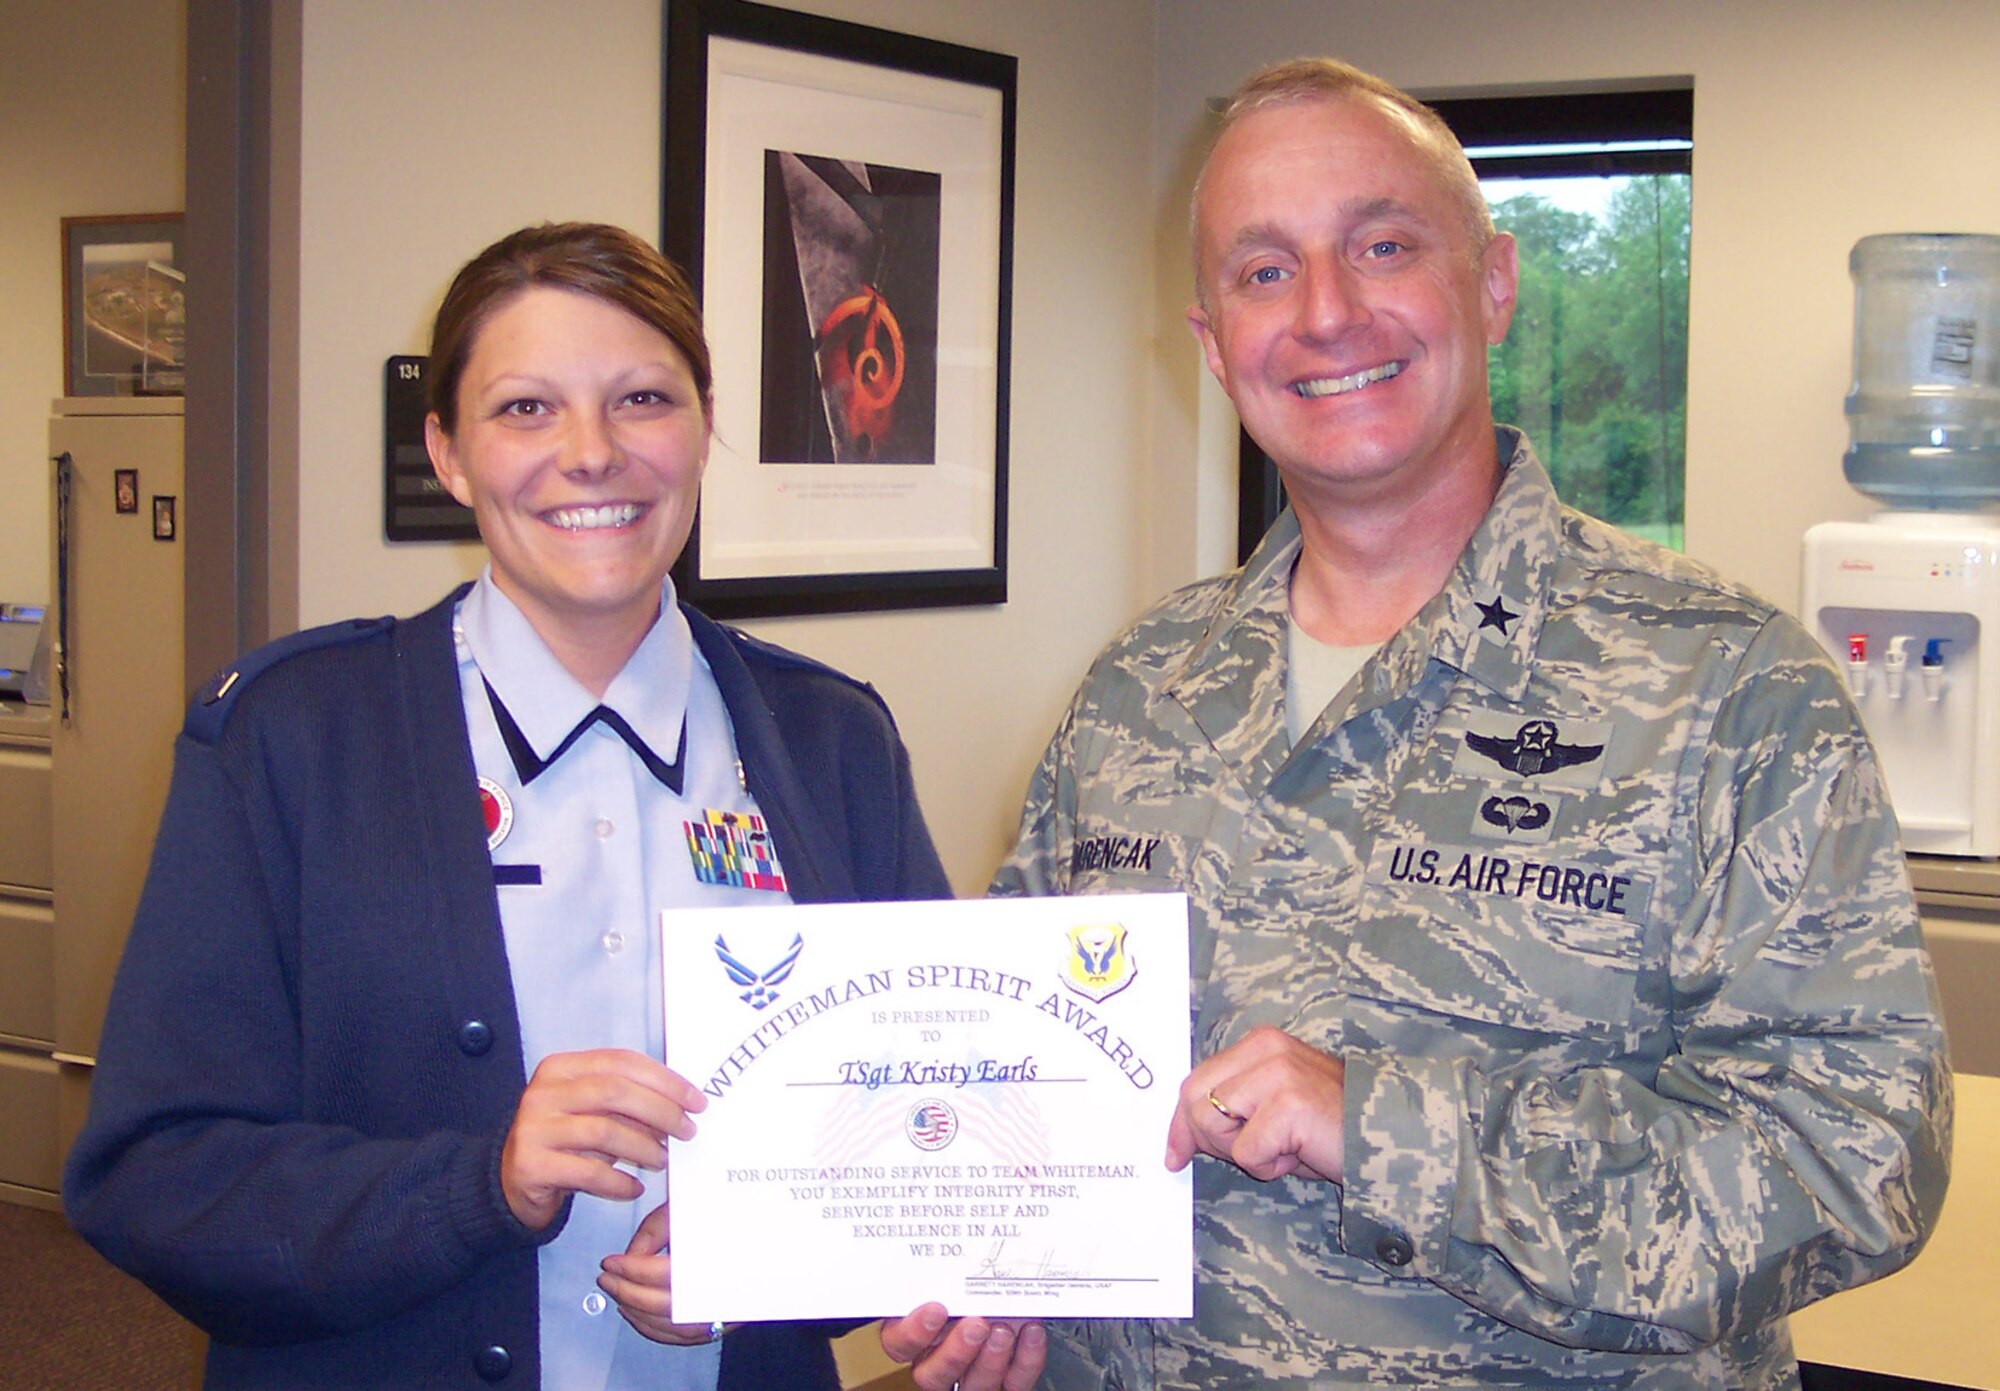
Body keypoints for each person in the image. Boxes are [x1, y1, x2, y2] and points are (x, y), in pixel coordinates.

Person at [991, 59, 1952, 1391]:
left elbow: (1857, 1153)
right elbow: (1016, 1073)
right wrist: (993, 1283)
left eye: (1381, 245)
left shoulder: (1727, 686)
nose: (1326, 311)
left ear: (1493, 282)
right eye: (1265, 272)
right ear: (1213, 343)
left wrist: (1386, 1127)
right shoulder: (1137, 688)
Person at [63, 222, 1044, 1391]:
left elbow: (927, 1132)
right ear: (448, 451)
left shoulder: (830, 739)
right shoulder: (286, 740)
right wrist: (484, 1183)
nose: (591, 454)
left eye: (641, 398)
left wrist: (769, 1269)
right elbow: (157, 1176)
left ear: (702, 428)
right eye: (525, 408)